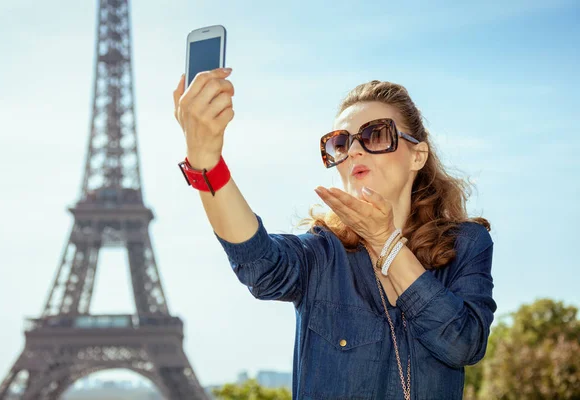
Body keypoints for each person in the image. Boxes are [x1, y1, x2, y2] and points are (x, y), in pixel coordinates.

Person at [173, 68, 497, 400]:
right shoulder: (321, 255)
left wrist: (386, 241)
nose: (354, 150)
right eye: (340, 143)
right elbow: (259, 264)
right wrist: (206, 164)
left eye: (375, 134)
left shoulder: (465, 243)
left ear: (417, 155)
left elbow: (463, 343)